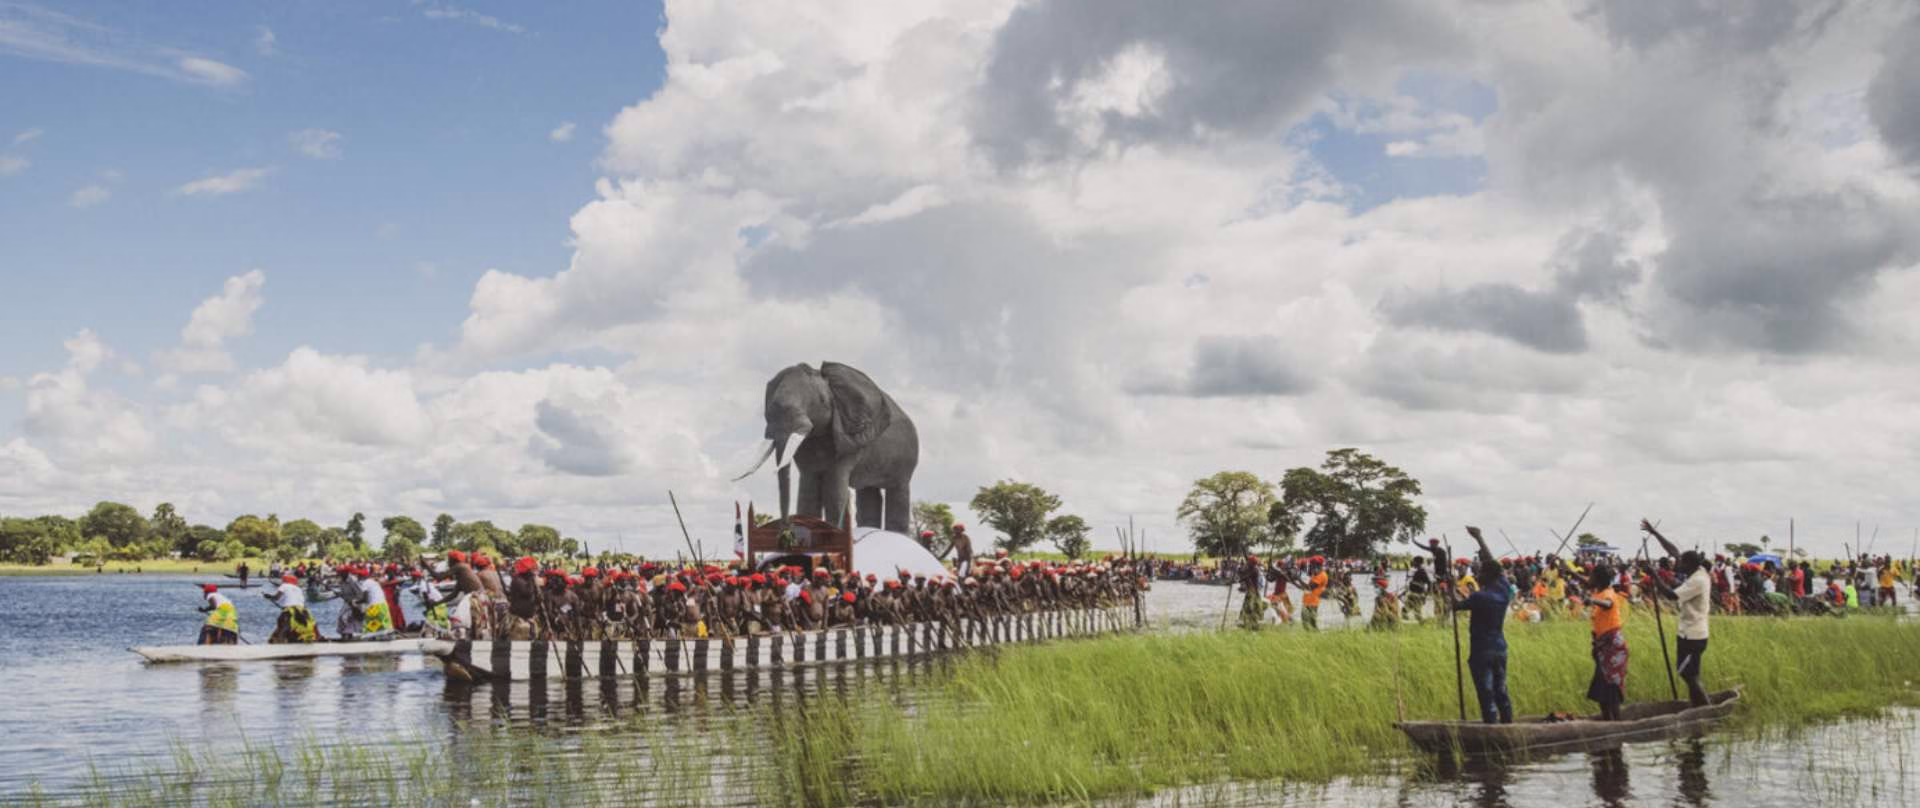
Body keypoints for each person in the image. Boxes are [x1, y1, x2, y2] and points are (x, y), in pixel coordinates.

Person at [1641, 520, 1710, 707]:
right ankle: (1697, 705)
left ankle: (1704, 708)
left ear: (1689, 565)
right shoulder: (1697, 569)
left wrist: (1653, 575)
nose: (1677, 564)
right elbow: (1674, 551)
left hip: (1693, 635)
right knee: (1688, 673)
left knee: (1690, 674)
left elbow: (1671, 596)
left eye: (1682, 563)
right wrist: (1654, 533)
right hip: (1687, 632)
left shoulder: (1698, 580)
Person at [1454, 527, 1512, 724]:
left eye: (1480, 572)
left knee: (1487, 694)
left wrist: (1449, 588)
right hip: (1500, 648)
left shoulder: (1480, 596)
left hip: (1482, 651)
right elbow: (1493, 563)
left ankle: (1492, 730)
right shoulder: (1504, 589)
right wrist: (1479, 537)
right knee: (1501, 691)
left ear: (1487, 576)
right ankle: (1507, 725)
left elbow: (1455, 606)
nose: (1477, 574)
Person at [1584, 564, 1629, 721]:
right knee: (1601, 687)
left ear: (1599, 578)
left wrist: (1592, 601)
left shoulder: (1608, 593)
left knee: (1610, 687)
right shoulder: (1599, 593)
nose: (1590, 578)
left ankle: (1616, 723)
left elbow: (1608, 604)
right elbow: (1588, 585)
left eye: (1592, 576)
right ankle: (1608, 721)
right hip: (1602, 646)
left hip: (1612, 647)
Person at [264, 574, 317, 643]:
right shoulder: (298, 589)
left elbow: (277, 597)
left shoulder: (284, 586)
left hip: (290, 609)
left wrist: (269, 596)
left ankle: (279, 640)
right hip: (302, 610)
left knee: (280, 623)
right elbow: (299, 601)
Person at [1301, 557, 1327, 631]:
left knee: (1312, 622)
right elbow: (1305, 587)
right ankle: (1310, 636)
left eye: (1312, 565)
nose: (1310, 566)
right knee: (1305, 622)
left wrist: (1298, 579)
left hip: (1313, 602)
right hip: (1307, 601)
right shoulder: (1316, 574)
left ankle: (1315, 635)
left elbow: (1310, 587)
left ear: (1318, 565)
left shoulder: (1321, 575)